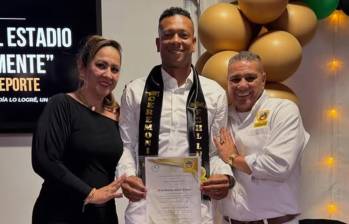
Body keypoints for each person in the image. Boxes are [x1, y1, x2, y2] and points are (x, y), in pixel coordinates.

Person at [117, 7, 233, 224]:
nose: (176, 40)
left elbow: (215, 152)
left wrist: (225, 177)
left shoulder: (214, 93)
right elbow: (128, 146)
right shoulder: (135, 91)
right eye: (168, 35)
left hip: (196, 210)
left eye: (183, 34)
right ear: (157, 43)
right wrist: (127, 177)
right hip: (145, 209)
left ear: (193, 42)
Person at [31, 35, 126, 224]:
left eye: (114, 69)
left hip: (102, 215)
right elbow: (45, 159)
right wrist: (89, 193)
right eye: (101, 65)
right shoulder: (61, 104)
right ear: (82, 68)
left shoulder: (118, 116)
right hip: (59, 214)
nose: (108, 74)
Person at [213, 51, 310, 224]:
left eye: (250, 78)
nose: (242, 85)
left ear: (263, 80)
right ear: (227, 82)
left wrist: (233, 158)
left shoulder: (283, 110)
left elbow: (278, 166)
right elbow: (212, 160)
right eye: (235, 79)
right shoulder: (222, 117)